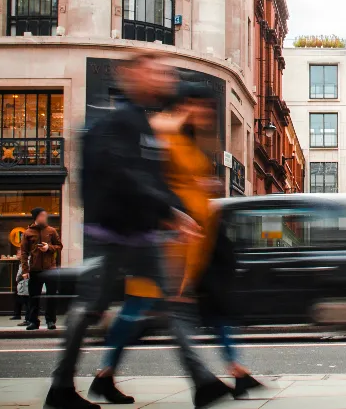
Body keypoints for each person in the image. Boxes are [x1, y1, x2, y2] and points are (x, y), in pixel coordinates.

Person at [45, 52, 231, 409]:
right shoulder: (120, 122)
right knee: (90, 309)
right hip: (115, 234)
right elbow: (124, 176)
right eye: (156, 72)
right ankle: (61, 387)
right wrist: (171, 212)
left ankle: (202, 381)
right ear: (131, 74)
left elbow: (154, 179)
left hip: (144, 235)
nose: (165, 78)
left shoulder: (144, 124)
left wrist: (177, 211)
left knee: (173, 307)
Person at [93, 82, 262, 401]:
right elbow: (151, 182)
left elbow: (181, 183)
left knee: (150, 310)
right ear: (186, 103)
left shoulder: (187, 138)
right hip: (166, 240)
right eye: (201, 106)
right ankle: (206, 382)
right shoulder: (164, 132)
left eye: (210, 109)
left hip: (191, 243)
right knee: (146, 309)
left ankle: (107, 375)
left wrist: (202, 186)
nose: (207, 114)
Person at [21, 207, 63, 330]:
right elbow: (24, 253)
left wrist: (48, 248)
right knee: (34, 297)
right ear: (36, 217)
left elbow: (59, 246)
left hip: (51, 269)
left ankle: (50, 321)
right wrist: (25, 270)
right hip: (35, 270)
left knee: (51, 297)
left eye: (45, 215)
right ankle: (34, 321)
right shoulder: (27, 233)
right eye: (42, 216)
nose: (45, 218)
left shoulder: (52, 231)